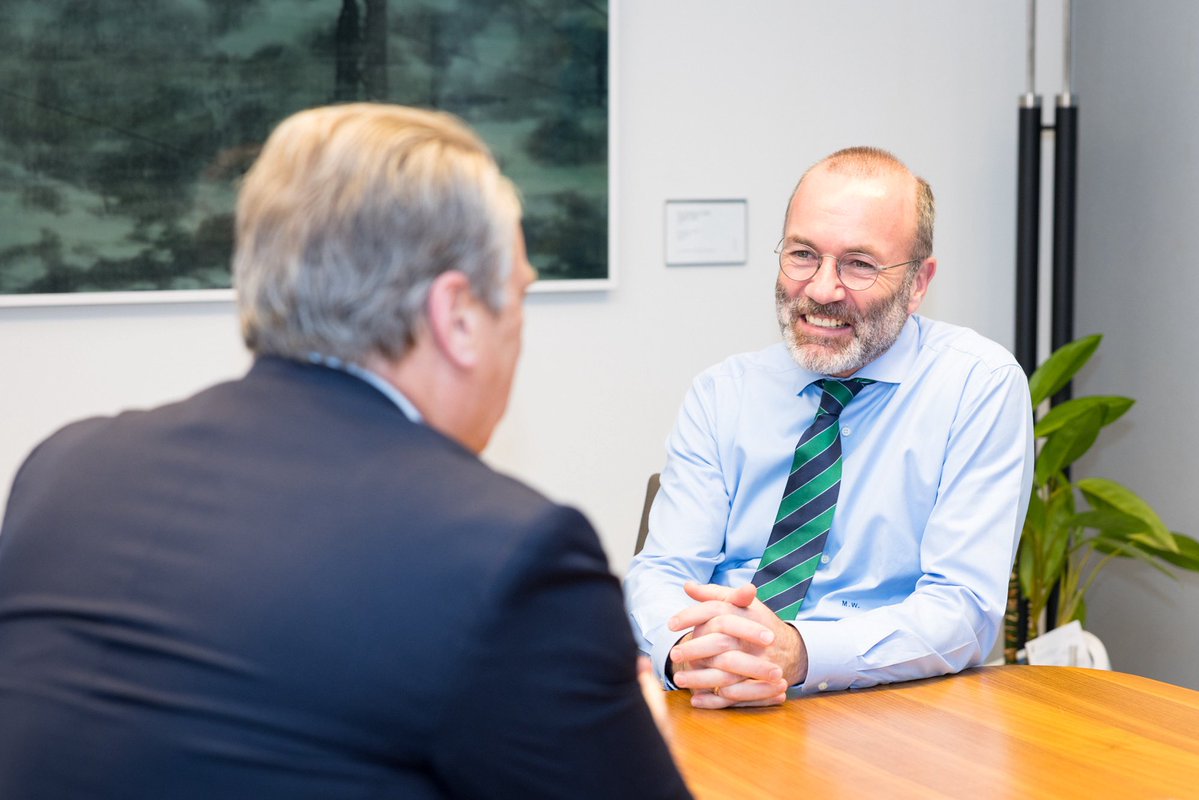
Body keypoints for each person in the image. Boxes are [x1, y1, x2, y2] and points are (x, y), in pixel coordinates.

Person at [0, 104, 690, 799]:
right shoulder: (505, 556)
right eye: (516, 296)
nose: (519, 328)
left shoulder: (64, 468)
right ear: (456, 318)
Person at [624, 146, 1034, 708]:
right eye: (803, 254)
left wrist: (799, 652)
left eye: (859, 264)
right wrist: (687, 648)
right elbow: (663, 569)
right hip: (715, 692)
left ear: (918, 282)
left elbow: (961, 610)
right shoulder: (723, 393)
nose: (821, 289)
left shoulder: (976, 386)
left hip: (888, 708)